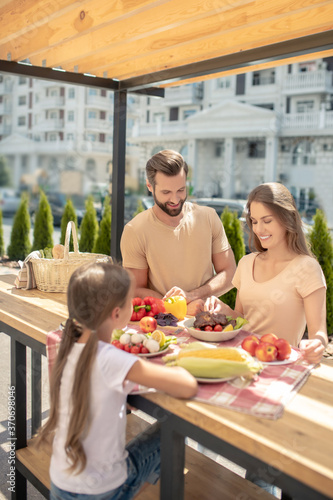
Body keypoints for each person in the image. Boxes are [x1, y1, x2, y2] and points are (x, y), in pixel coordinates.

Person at [36, 261, 197, 500]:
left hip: (61, 484)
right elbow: (187, 386)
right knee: (171, 430)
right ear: (117, 313)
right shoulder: (112, 359)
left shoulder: (67, 346)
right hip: (104, 491)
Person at [205, 182, 328, 365]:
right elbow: (242, 320)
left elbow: (319, 332)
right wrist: (225, 311)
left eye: (267, 220)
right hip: (242, 360)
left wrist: (317, 344)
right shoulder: (247, 263)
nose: (259, 229)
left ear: (287, 219)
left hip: (279, 365)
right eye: (254, 221)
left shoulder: (307, 268)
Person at [120, 149, 236, 316]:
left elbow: (230, 272)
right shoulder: (136, 230)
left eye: (181, 190)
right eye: (166, 192)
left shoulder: (209, 217)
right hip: (161, 325)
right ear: (149, 186)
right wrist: (178, 308)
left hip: (207, 323)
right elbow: (136, 289)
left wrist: (191, 296)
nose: (175, 200)